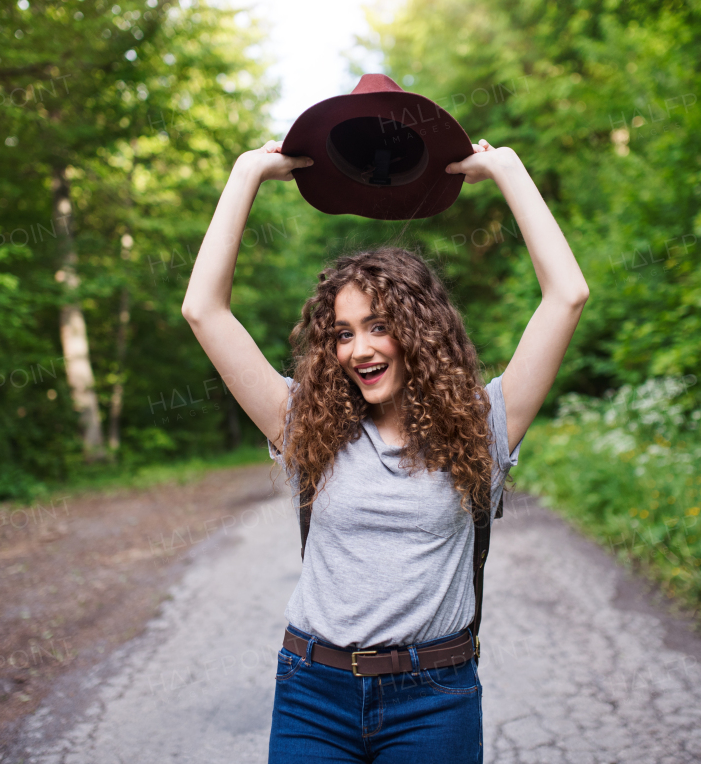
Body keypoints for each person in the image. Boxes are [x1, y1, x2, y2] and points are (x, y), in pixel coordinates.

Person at [181, 137, 589, 763]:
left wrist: (506, 168)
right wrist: (247, 173)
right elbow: (204, 310)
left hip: (435, 698)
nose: (358, 349)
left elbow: (567, 296)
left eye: (378, 325)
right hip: (312, 693)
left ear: (421, 331)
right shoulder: (305, 425)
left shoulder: (483, 425)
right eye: (342, 334)